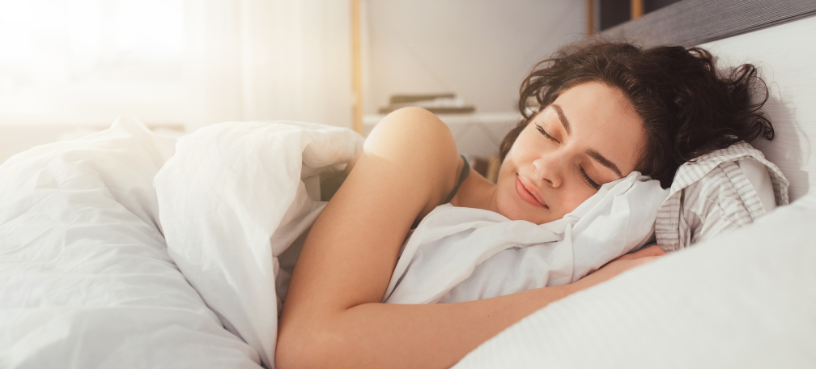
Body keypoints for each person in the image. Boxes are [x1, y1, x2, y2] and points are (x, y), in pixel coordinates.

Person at [275, 41, 774, 369]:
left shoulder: (556, 260)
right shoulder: (421, 142)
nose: (546, 167)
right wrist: (587, 298)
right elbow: (310, 346)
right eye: (547, 131)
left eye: (590, 173)